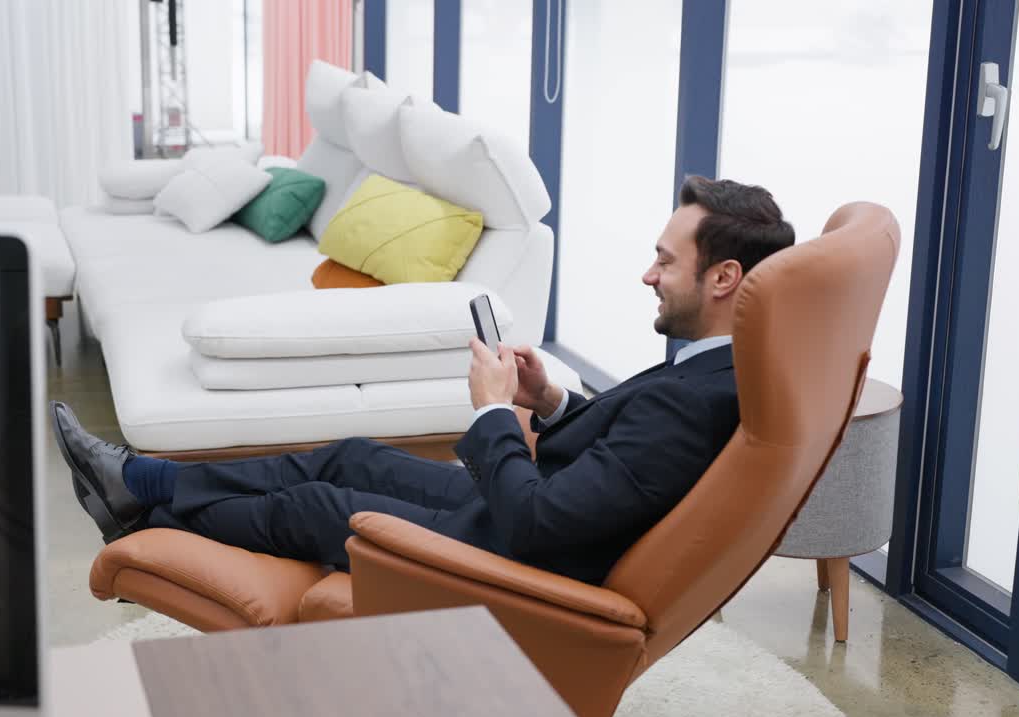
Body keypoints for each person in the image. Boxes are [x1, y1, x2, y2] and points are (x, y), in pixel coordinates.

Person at [51, 176, 795, 585]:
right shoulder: (714, 371)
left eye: (666, 260)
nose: (648, 275)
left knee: (319, 506)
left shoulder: (696, 399)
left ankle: (146, 523)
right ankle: (142, 479)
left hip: (518, 559)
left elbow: (538, 526)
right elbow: (623, 460)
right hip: (525, 512)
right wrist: (551, 401)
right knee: (349, 454)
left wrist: (493, 414)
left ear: (724, 277)